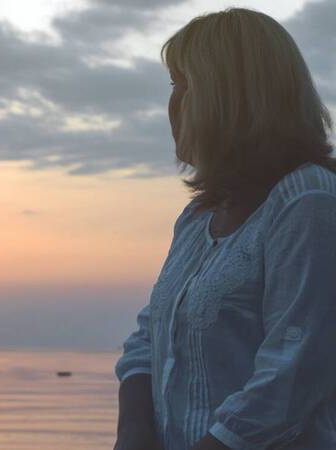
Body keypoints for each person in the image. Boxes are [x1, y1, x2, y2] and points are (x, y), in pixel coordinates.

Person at [113, 7, 336, 450]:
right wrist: (134, 432)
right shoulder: (199, 218)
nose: (172, 104)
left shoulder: (308, 201)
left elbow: (293, 372)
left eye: (182, 85)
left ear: (230, 95)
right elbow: (148, 337)